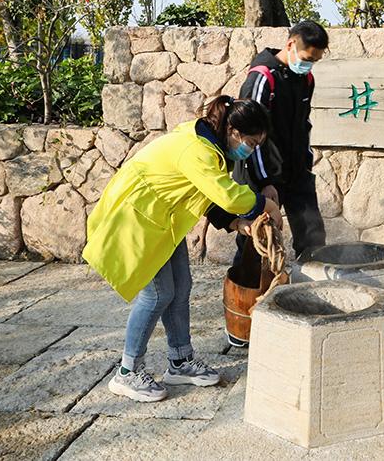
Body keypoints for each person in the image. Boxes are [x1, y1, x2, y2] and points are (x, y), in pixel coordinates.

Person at [83, 95, 282, 403]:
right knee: (157, 294)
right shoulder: (197, 150)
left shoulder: (211, 148)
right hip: (137, 220)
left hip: (164, 221)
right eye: (251, 143)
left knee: (181, 287)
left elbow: (206, 195)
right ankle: (127, 372)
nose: (251, 150)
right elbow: (228, 196)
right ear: (234, 131)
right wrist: (266, 205)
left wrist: (236, 224)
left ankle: (180, 360)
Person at [227, 20, 329, 347]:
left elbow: (302, 125)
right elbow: (251, 134)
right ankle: (241, 321)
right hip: (260, 171)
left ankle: (312, 301)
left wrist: (305, 160)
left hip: (295, 171)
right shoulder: (262, 77)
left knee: (312, 234)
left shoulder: (305, 79)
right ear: (290, 45)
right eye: (307, 57)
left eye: (315, 60)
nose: (309, 64)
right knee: (255, 244)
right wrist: (265, 182)